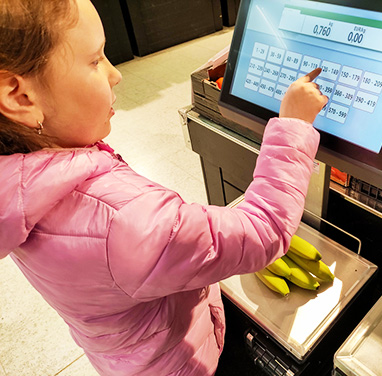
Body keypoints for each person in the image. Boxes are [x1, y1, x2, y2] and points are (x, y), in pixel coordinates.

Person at [0, 0, 327, 375]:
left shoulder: (19, 185)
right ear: (20, 97)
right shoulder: (125, 219)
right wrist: (294, 125)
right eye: (94, 61)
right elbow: (262, 231)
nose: (115, 75)